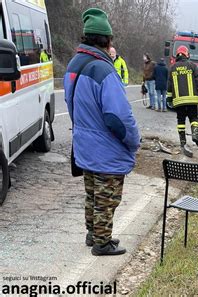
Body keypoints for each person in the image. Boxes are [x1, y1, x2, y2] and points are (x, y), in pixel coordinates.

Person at [64, 8, 140, 256]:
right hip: (105, 149)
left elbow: (71, 103)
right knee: (107, 199)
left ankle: (93, 234)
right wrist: (134, 140)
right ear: (106, 40)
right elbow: (118, 117)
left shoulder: (74, 64)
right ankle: (102, 243)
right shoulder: (104, 70)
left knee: (92, 194)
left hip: (84, 144)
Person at [166, 45, 198, 157]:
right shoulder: (192, 66)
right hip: (193, 100)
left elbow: (169, 86)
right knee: (194, 118)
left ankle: (183, 142)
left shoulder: (172, 68)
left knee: (181, 121)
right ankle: (195, 135)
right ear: (187, 54)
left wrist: (169, 99)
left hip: (179, 102)